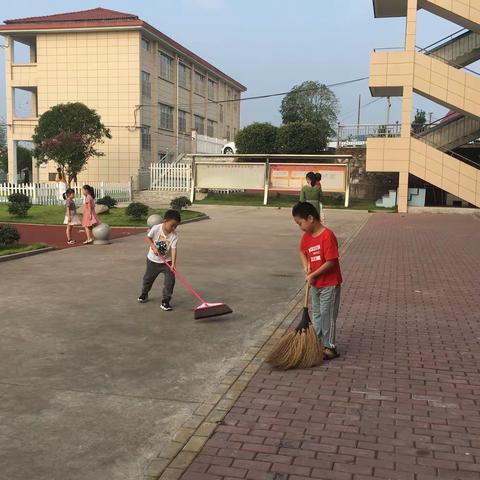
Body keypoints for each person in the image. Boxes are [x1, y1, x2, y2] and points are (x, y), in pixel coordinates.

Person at [292, 201, 342, 361]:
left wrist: (314, 274)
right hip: (315, 284)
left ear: (310, 218)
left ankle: (330, 346)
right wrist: (306, 266)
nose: (300, 227)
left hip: (329, 284)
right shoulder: (306, 237)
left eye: (300, 223)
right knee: (317, 314)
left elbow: (331, 261)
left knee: (328, 315)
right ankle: (318, 342)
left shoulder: (327, 236)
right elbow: (301, 252)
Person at [137, 210, 181, 311]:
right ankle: (144, 293)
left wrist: (173, 264)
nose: (174, 228)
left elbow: (174, 250)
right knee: (148, 279)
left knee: (170, 282)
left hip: (167, 262)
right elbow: (148, 238)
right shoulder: (156, 228)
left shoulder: (174, 236)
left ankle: (166, 301)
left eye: (176, 226)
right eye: (172, 225)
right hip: (153, 260)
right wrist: (153, 246)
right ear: (165, 221)